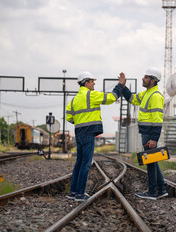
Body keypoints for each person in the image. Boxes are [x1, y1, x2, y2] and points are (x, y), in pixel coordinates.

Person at [66, 71, 126, 201]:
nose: (94, 83)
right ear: (86, 82)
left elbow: (69, 116)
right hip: (88, 132)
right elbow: (111, 97)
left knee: (79, 162)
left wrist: (81, 121)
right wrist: (120, 85)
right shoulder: (91, 95)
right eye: (92, 81)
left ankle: (73, 192)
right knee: (86, 164)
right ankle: (80, 194)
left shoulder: (74, 99)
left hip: (79, 132)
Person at [121, 68, 168, 200]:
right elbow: (131, 98)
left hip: (149, 134)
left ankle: (152, 192)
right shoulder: (147, 93)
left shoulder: (156, 96)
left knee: (151, 162)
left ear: (152, 81)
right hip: (146, 133)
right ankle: (161, 189)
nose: (143, 79)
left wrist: (154, 139)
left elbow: (158, 120)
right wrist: (124, 87)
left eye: (146, 77)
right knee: (153, 160)